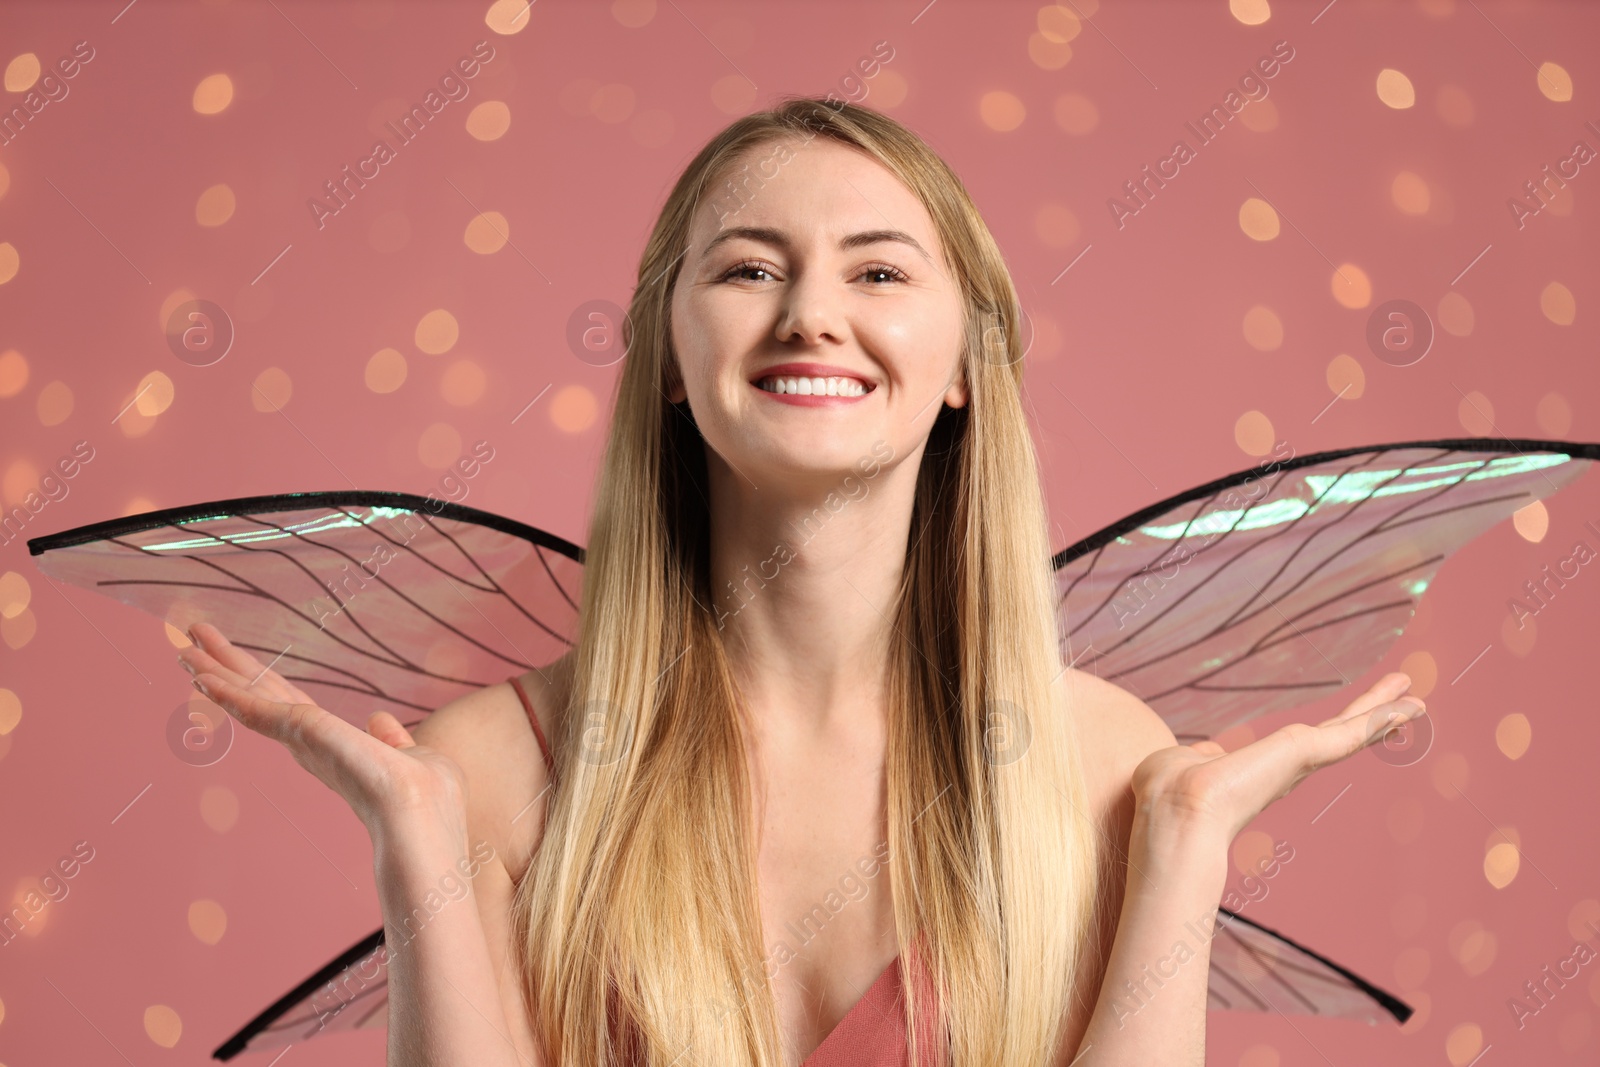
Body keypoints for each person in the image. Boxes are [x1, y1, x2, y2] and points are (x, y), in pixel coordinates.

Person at [177, 97, 1427, 1067]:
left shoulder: (1103, 765)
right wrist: (417, 854)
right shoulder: (493, 771)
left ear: (962, 368)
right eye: (746, 269)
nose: (811, 315)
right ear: (671, 358)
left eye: (878, 272)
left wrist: (1184, 853)